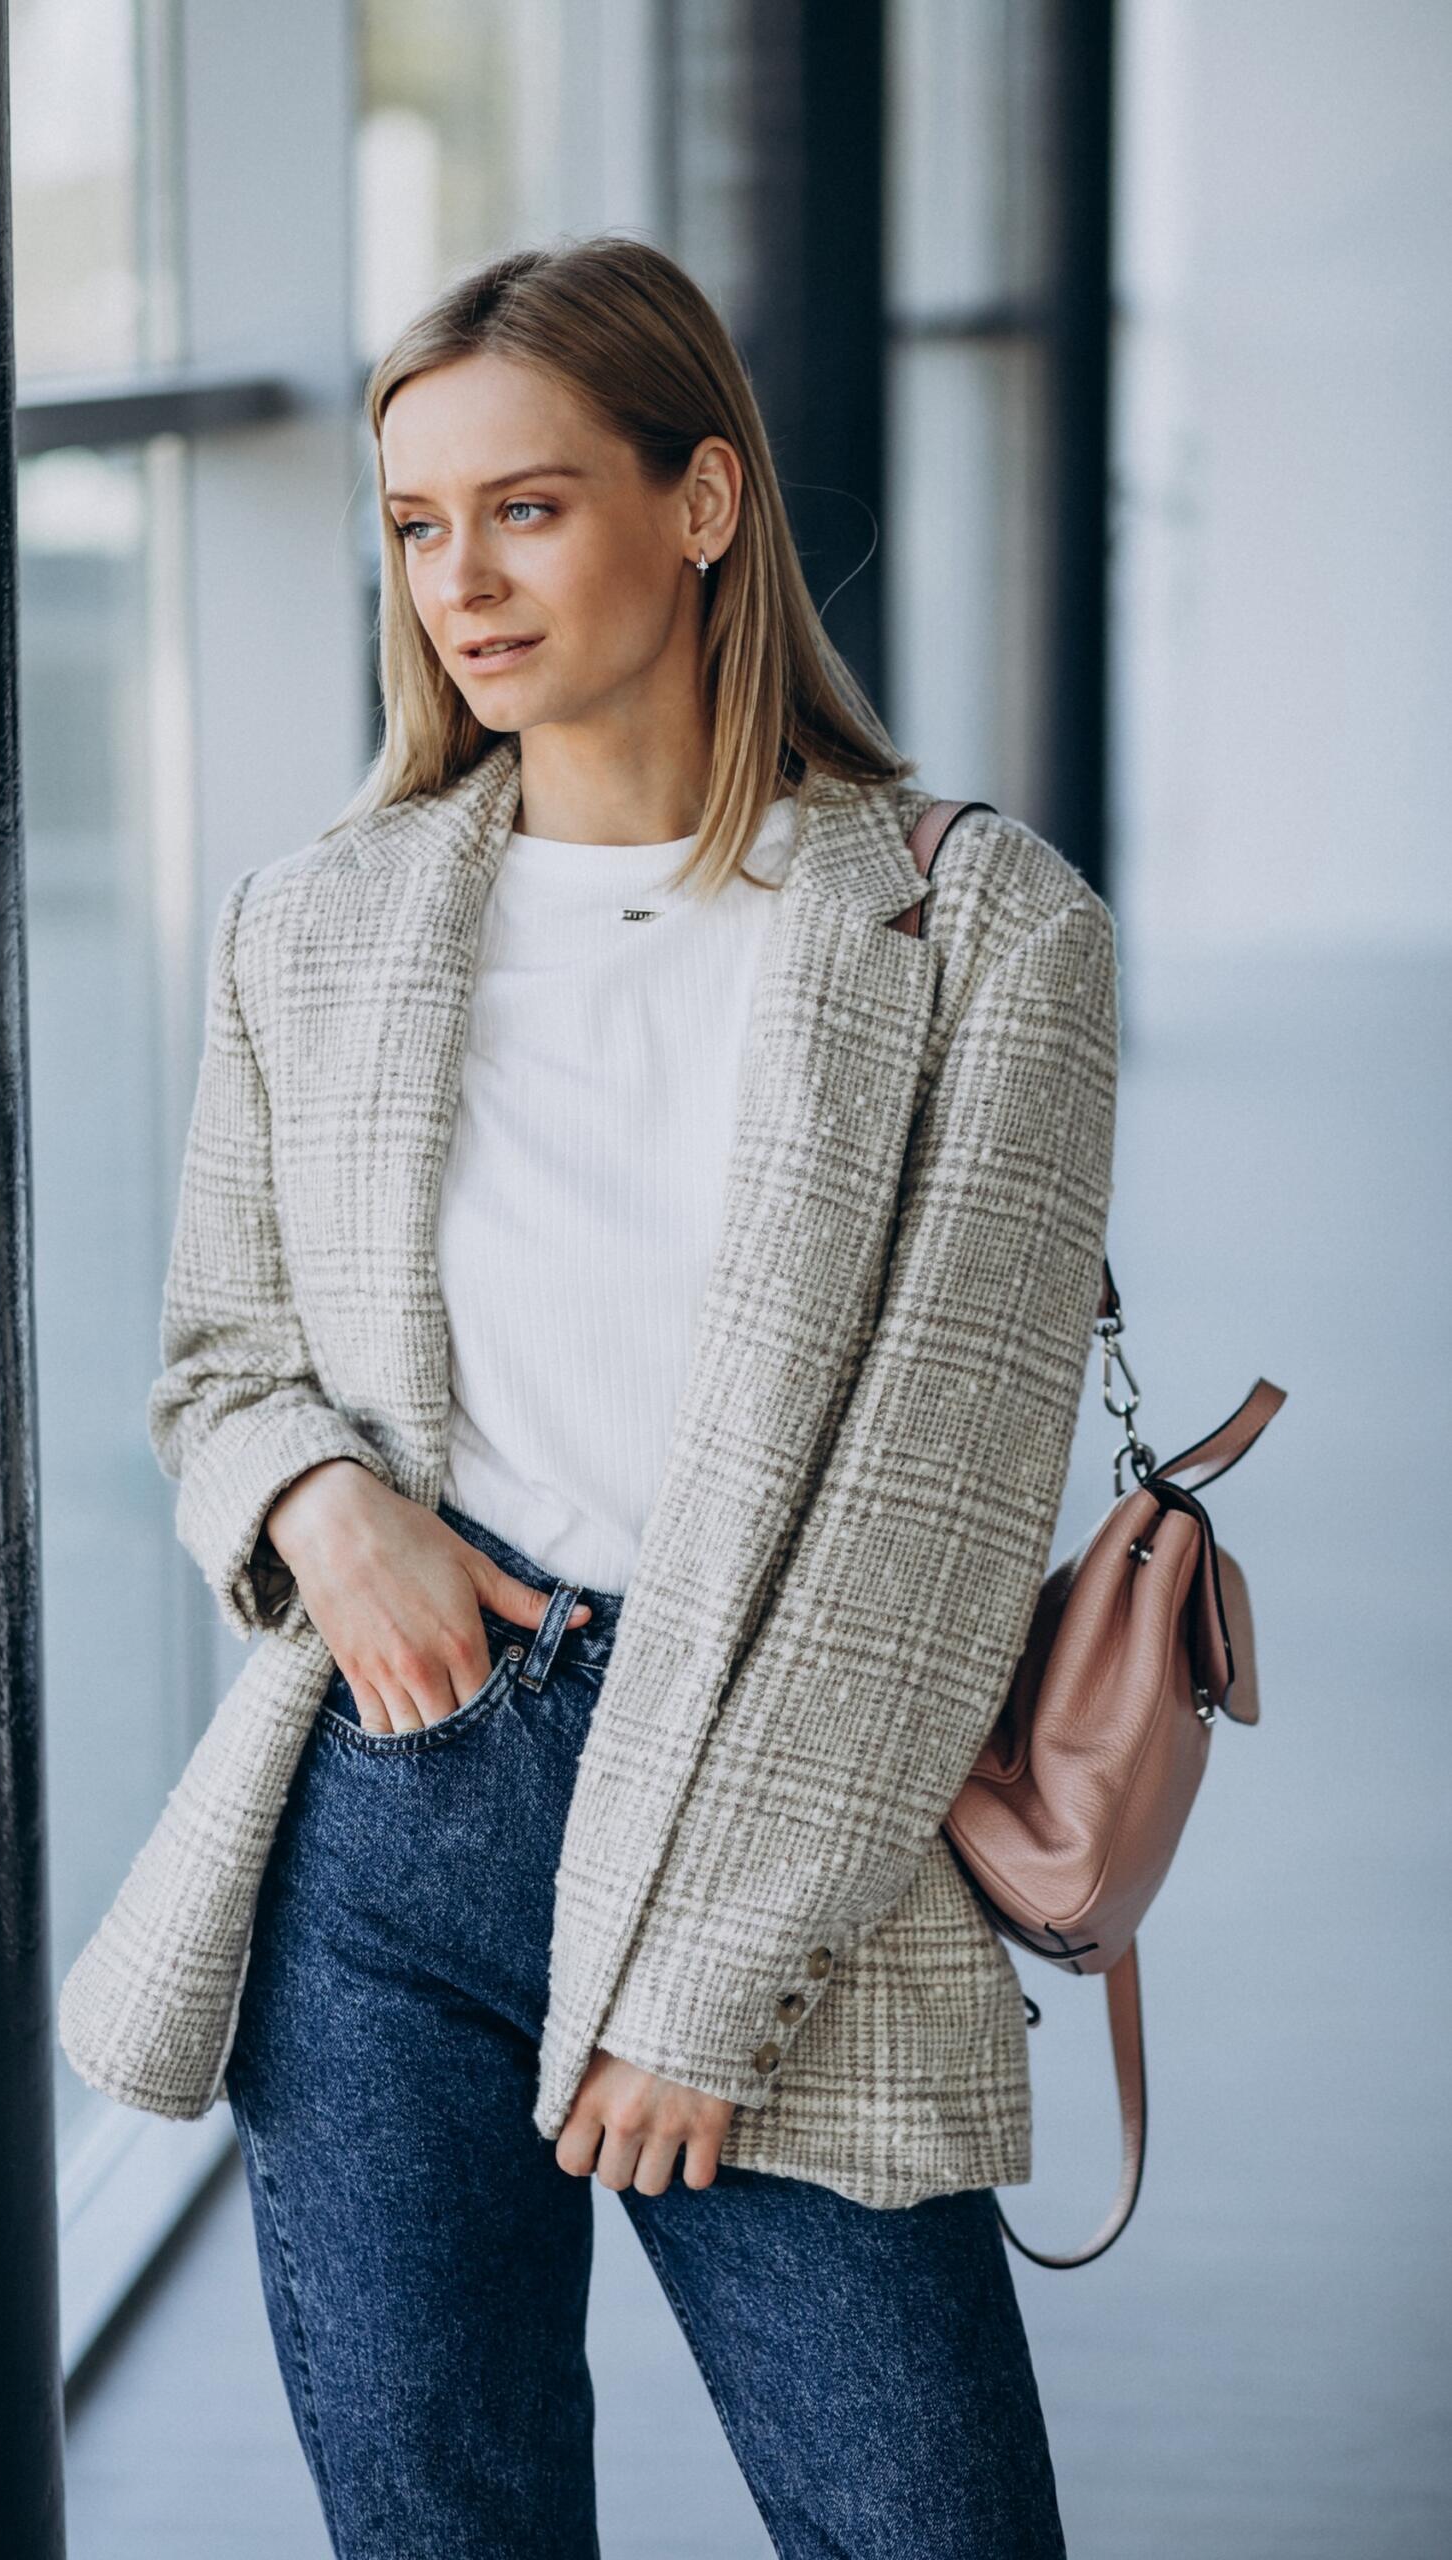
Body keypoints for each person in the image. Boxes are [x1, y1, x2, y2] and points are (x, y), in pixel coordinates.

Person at [151, 232, 1119, 2556]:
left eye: (525, 507)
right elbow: (217, 1352)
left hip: (780, 1830)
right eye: (414, 524)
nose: (457, 583)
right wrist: (311, 1497)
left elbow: (933, 1517)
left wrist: (695, 1977)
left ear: (697, 506)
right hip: (385, 1819)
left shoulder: (976, 929)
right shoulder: (324, 916)